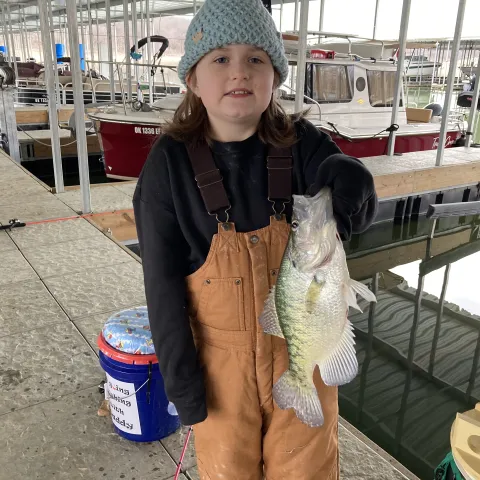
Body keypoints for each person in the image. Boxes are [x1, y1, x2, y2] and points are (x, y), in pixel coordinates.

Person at [133, 0, 378, 478]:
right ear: (193, 79)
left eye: (256, 58)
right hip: (220, 377)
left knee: (307, 470)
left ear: (275, 77)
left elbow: (354, 203)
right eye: (220, 58)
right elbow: (161, 287)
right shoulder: (167, 167)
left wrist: (353, 178)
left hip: (302, 357)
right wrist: (183, 387)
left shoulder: (304, 143)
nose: (239, 71)